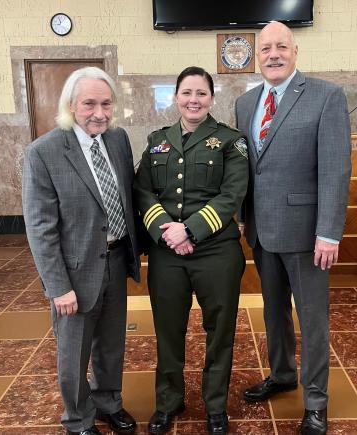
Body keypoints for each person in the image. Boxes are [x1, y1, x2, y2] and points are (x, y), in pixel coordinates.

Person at [235, 22, 351, 435]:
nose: (273, 54)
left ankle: (316, 401)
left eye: (281, 46)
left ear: (295, 50)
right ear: (257, 55)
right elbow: (250, 168)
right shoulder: (246, 104)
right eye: (265, 48)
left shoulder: (326, 96)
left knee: (312, 319)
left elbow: (336, 171)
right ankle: (282, 374)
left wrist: (329, 232)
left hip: (308, 235)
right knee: (274, 312)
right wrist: (244, 216)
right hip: (263, 233)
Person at [22, 66, 141, 435]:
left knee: (111, 343)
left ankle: (108, 402)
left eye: (106, 104)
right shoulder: (43, 152)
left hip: (117, 259)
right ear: (71, 106)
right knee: (74, 353)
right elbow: (41, 229)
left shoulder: (118, 139)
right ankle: (78, 418)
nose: (99, 113)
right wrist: (57, 286)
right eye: (89, 103)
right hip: (73, 271)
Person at [134, 66, 248, 435]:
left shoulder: (231, 141)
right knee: (168, 330)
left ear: (212, 98)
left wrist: (190, 230)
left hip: (217, 251)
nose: (193, 100)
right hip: (167, 251)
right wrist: (168, 233)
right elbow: (143, 191)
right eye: (187, 93)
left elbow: (232, 194)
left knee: (220, 331)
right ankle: (169, 401)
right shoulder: (157, 140)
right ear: (176, 97)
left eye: (201, 93)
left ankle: (215, 405)